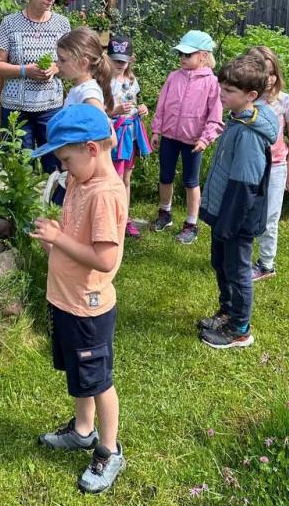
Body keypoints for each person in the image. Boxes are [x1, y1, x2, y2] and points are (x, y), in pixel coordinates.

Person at [30, 105, 127, 493]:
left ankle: (109, 450)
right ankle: (84, 430)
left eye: (67, 159)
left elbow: (105, 259)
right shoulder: (80, 180)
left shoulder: (104, 194)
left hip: (88, 307)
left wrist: (58, 239)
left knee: (99, 381)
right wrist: (56, 239)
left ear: (90, 149)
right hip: (66, 300)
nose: (63, 167)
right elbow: (77, 239)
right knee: (79, 372)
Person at [197, 54, 278, 350]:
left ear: (251, 95)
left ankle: (240, 329)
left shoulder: (248, 133)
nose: (222, 94)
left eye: (229, 91)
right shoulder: (237, 120)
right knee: (221, 264)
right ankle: (227, 312)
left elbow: (245, 184)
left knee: (238, 270)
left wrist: (228, 223)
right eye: (222, 87)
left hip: (237, 217)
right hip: (225, 212)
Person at [0, 0, 71, 173]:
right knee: (18, 168)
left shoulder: (62, 24)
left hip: (51, 106)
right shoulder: (10, 23)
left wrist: (55, 68)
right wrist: (25, 70)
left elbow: (70, 63)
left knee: (56, 165)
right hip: (16, 109)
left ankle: (55, 196)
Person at [149, 30, 224, 244]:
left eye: (187, 54)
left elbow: (215, 116)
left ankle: (191, 224)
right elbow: (162, 106)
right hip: (169, 137)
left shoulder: (212, 83)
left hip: (193, 141)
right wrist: (156, 130)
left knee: (191, 182)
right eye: (180, 54)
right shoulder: (173, 77)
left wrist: (205, 139)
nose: (182, 58)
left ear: (203, 55)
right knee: (165, 176)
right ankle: (165, 213)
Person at [247, 46, 289, 282]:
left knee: (269, 217)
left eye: (272, 73)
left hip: (276, 167)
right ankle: (241, 258)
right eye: (264, 73)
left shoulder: (285, 102)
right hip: (250, 166)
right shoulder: (247, 101)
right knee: (246, 212)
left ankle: (266, 264)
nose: (269, 79)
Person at [108, 35, 151, 239]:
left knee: (126, 178)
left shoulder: (132, 81)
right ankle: (112, 218)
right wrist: (115, 111)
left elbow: (134, 103)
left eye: (123, 61)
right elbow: (98, 110)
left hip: (130, 135)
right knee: (114, 178)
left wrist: (142, 109)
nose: (119, 64)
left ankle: (125, 218)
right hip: (113, 135)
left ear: (130, 60)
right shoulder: (103, 81)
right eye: (115, 60)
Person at [57, 27, 114, 113]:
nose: (57, 64)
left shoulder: (88, 93)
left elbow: (100, 119)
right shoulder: (80, 89)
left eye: (62, 60)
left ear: (83, 63)